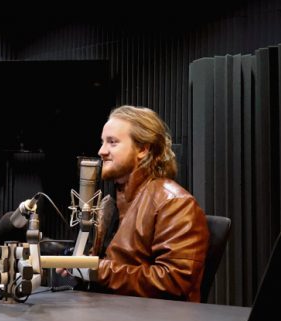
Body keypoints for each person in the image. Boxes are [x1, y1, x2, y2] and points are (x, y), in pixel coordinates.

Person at [65, 105, 209, 301]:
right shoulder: (110, 205)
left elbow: (174, 281)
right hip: (113, 315)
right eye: (102, 142)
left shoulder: (175, 204)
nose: (101, 151)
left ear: (142, 149)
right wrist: (75, 264)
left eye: (112, 143)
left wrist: (96, 269)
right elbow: (115, 262)